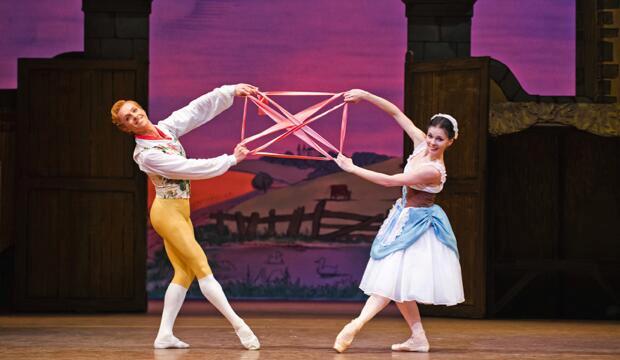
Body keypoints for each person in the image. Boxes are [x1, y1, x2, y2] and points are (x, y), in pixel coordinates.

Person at [110, 84, 261, 350]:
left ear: (141, 108)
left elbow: (194, 111)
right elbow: (186, 169)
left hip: (180, 211)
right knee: (202, 267)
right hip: (167, 213)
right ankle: (240, 327)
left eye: (134, 110)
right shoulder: (145, 155)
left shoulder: (165, 130)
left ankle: (164, 335)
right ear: (126, 128)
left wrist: (230, 91)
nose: (134, 116)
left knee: (184, 272)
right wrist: (230, 160)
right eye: (128, 118)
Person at [332, 89, 464, 353]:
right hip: (401, 219)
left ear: (450, 141)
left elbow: (389, 181)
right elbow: (395, 113)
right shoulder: (420, 145)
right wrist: (365, 95)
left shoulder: (433, 171)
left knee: (390, 281)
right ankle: (418, 338)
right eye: (430, 136)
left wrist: (352, 168)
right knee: (398, 283)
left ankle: (355, 325)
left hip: (417, 227)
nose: (432, 142)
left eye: (439, 139)